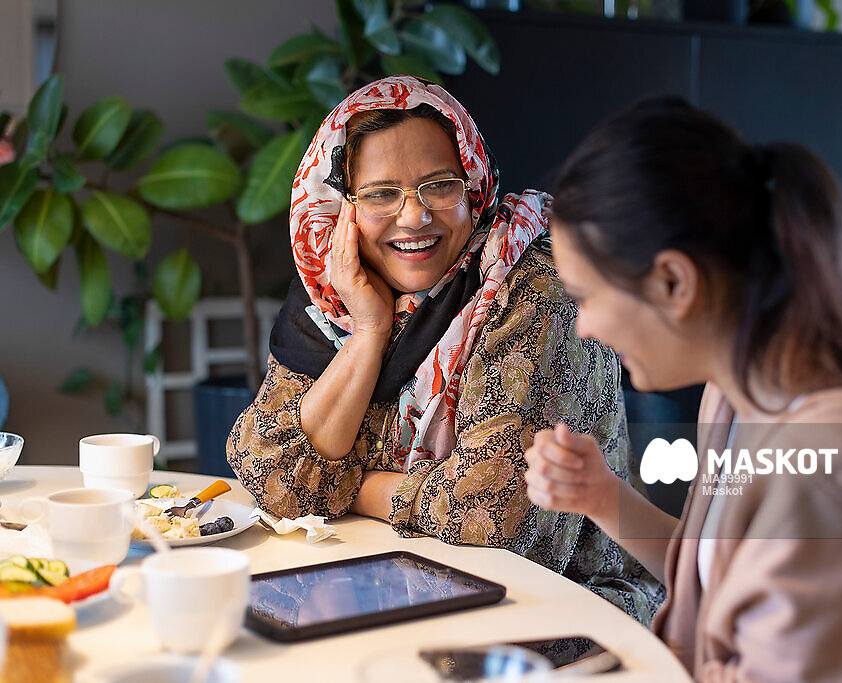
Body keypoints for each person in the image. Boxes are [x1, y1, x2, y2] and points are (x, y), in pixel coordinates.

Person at [524, 96, 842, 680]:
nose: (583, 326)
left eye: (585, 297)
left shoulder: (829, 484)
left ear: (674, 282)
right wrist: (601, 498)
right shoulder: (735, 398)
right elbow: (725, 584)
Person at [226, 76, 663, 624]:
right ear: (342, 210)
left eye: (439, 186)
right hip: (389, 587)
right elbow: (265, 466)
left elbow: (495, 515)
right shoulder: (332, 299)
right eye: (381, 194)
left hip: (557, 611)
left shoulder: (531, 288)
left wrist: (343, 484)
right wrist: (369, 332)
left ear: (473, 187)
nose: (414, 216)